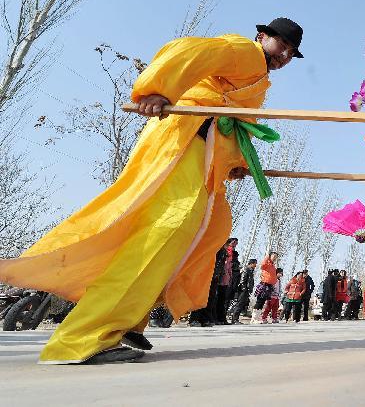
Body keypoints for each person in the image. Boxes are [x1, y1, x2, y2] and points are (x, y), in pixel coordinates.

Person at [0, 18, 303, 364]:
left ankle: (128, 323)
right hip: (183, 143)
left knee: (190, 238)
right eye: (282, 45)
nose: (285, 55)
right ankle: (82, 338)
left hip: (202, 157)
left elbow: (232, 124)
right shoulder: (244, 51)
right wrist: (159, 90)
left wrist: (234, 162)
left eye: (292, 53)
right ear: (262, 36)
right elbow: (191, 51)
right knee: (166, 229)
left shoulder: (258, 81)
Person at [215, 238, 241, 324]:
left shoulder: (233, 254)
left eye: (236, 244)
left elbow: (230, 267)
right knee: (219, 299)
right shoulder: (224, 252)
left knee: (224, 299)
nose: (234, 245)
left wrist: (230, 277)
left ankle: (222, 318)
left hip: (227, 279)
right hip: (220, 278)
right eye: (233, 243)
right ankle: (217, 318)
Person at [228, 259, 257, 324]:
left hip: (246, 290)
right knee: (239, 304)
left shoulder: (251, 271)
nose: (256, 265)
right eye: (255, 263)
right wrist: (244, 289)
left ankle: (236, 319)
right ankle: (234, 320)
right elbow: (242, 280)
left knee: (241, 305)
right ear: (251, 263)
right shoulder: (246, 269)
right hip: (243, 290)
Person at [253, 252, 279, 323]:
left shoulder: (273, 266)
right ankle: (254, 318)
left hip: (269, 286)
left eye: (276, 257)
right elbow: (262, 266)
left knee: (263, 302)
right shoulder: (267, 263)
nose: (275, 258)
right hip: (264, 285)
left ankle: (257, 318)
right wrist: (267, 257)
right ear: (270, 256)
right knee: (260, 301)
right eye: (274, 256)